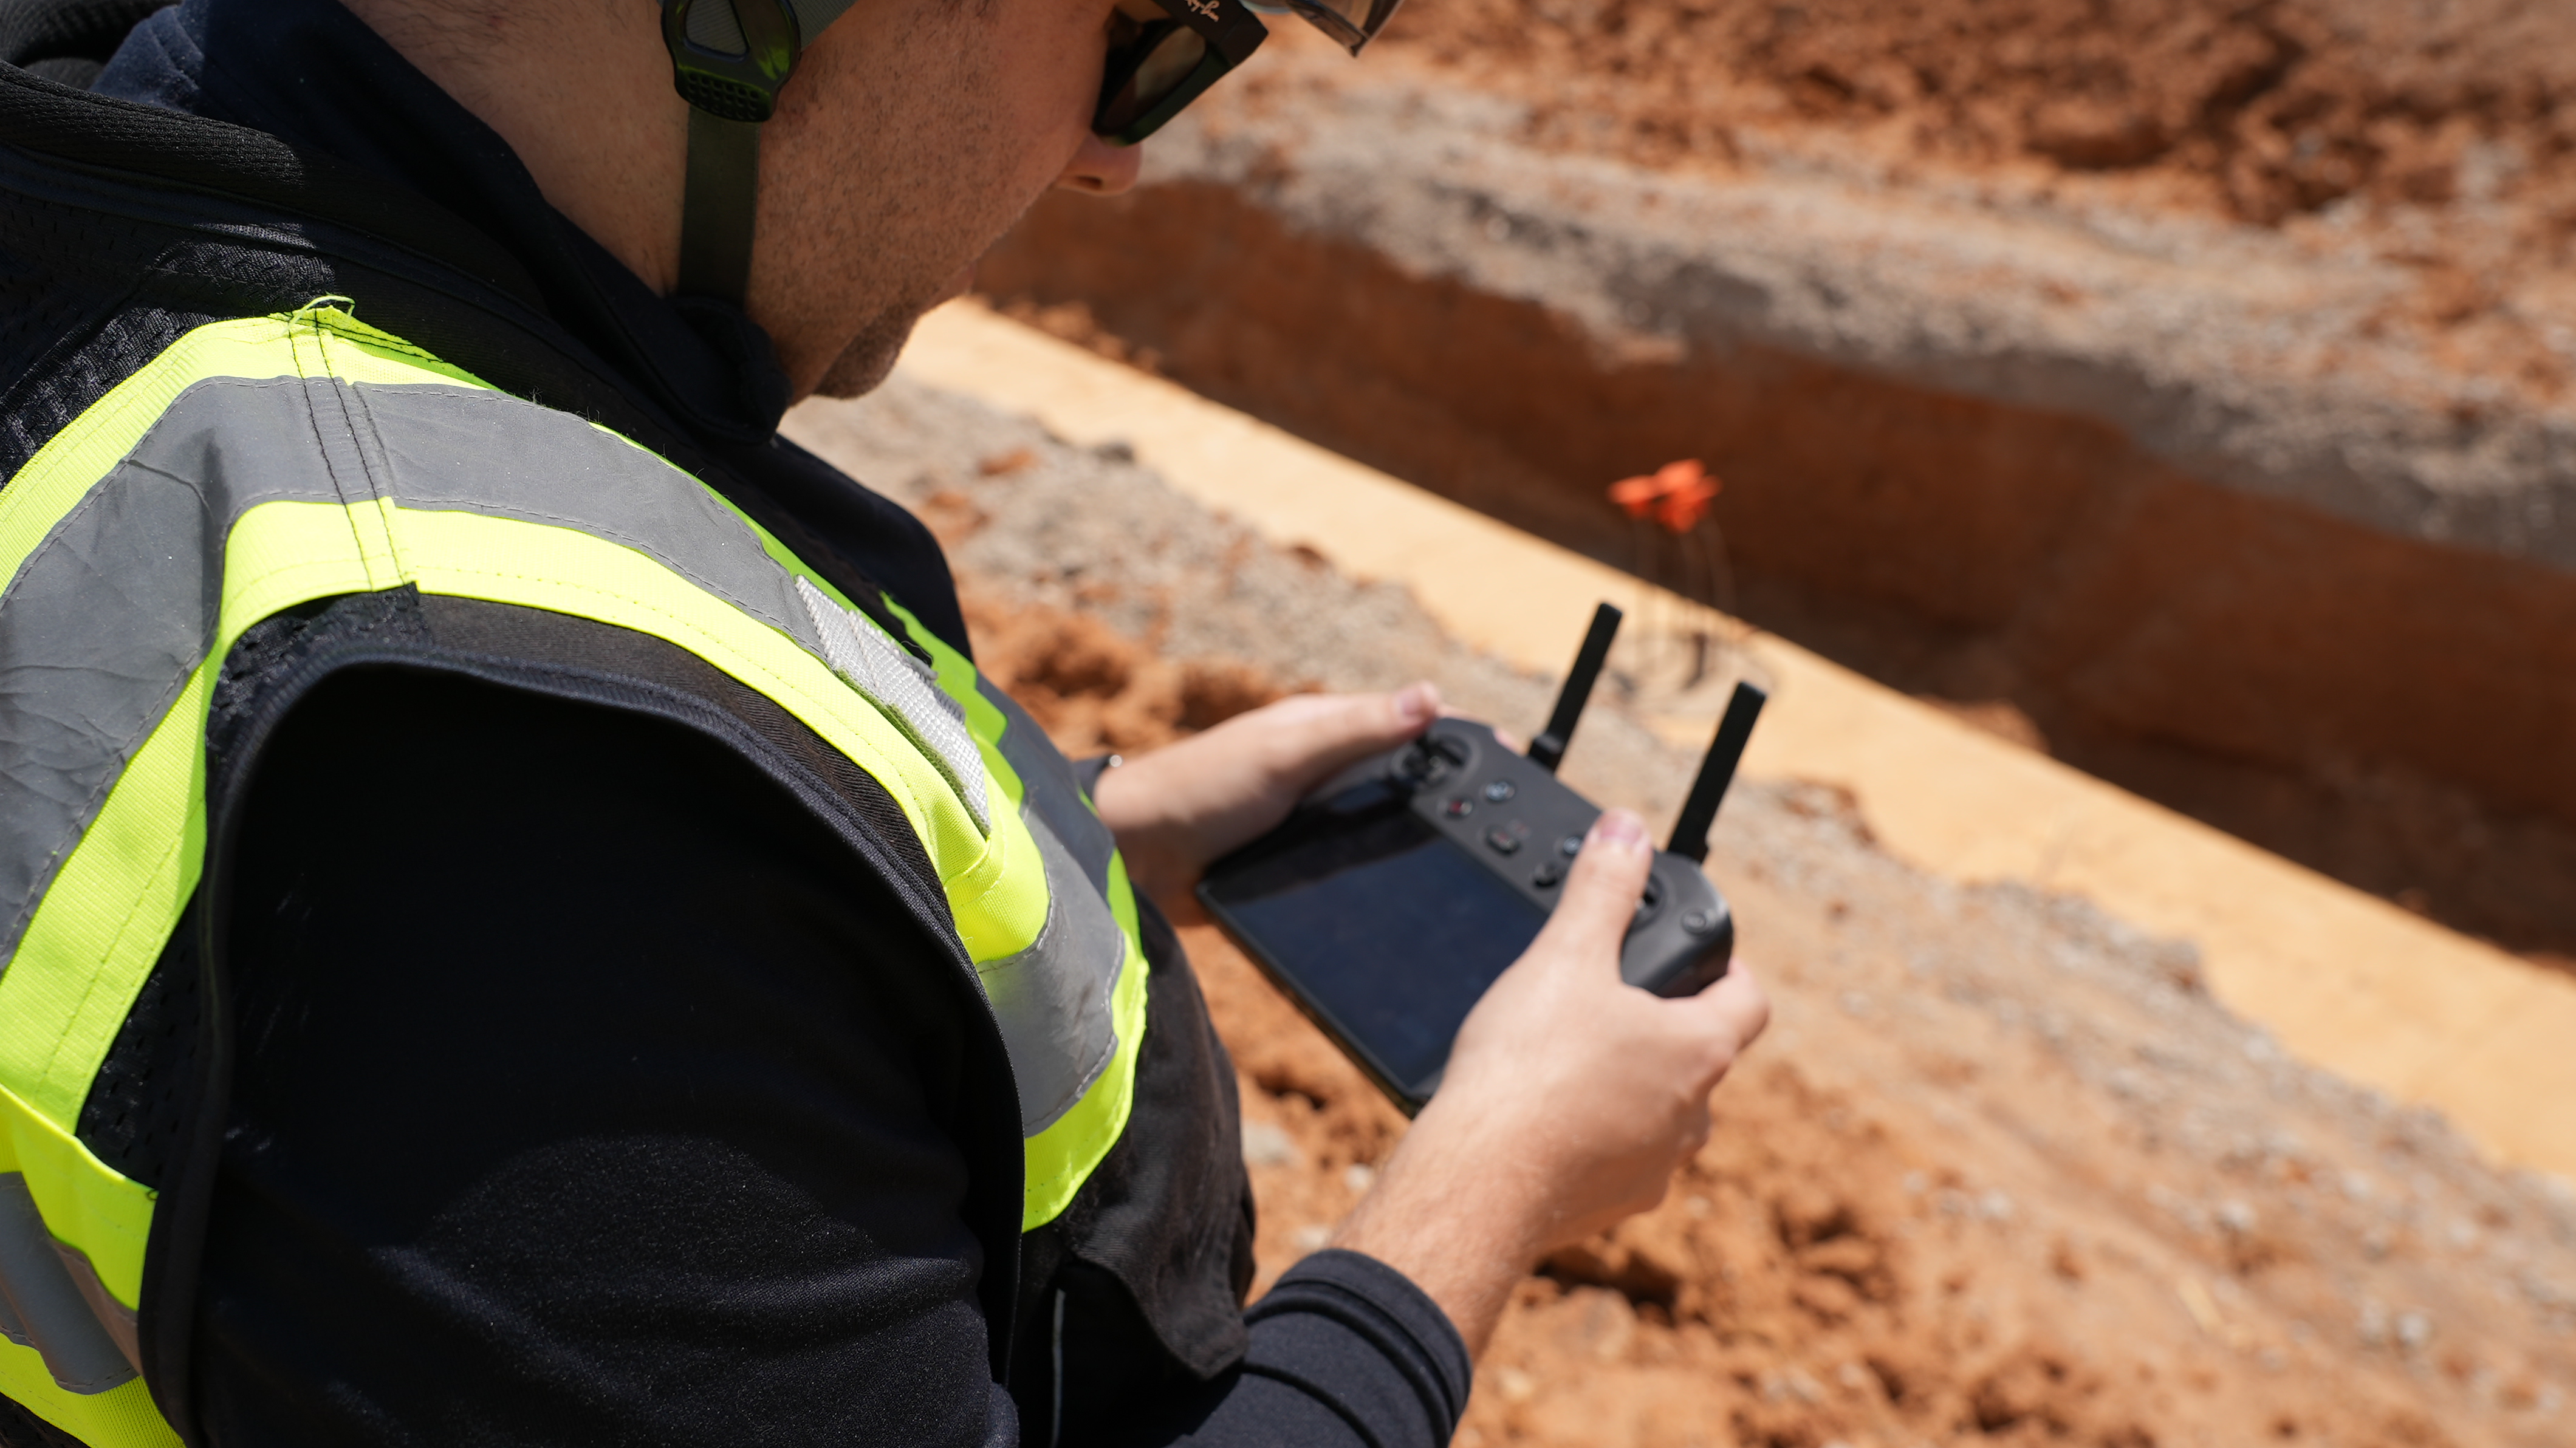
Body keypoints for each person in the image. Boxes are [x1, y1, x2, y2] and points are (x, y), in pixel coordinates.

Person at [0, 0, 1771, 1443]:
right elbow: (555, 956)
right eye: (1146, 27)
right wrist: (1492, 1179)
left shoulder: (103, 186)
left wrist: (1105, 822)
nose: (1117, 149)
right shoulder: (541, 814)